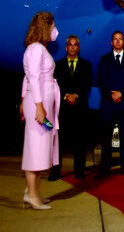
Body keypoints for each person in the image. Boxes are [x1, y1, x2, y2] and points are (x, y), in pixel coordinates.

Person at [20, 12, 60, 210]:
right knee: (35, 151)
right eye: (53, 26)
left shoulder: (39, 48)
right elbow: (33, 78)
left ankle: (34, 193)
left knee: (41, 150)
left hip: (42, 104)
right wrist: (38, 106)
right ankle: (32, 196)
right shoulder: (36, 49)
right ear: (45, 26)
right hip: (40, 106)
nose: (55, 30)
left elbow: (27, 78)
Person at [49, 35, 93, 180]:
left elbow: (87, 85)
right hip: (63, 109)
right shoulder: (58, 65)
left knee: (79, 142)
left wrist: (76, 96)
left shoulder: (86, 65)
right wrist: (65, 96)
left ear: (78, 48)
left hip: (80, 109)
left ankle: (79, 170)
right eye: (70, 44)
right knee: (59, 142)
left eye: (75, 45)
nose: (73, 47)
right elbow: (54, 85)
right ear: (66, 47)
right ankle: (55, 172)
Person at [96, 31, 124, 178]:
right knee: (106, 136)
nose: (118, 41)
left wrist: (121, 93)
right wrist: (112, 94)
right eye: (115, 39)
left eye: (120, 39)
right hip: (108, 104)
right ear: (111, 43)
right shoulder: (104, 59)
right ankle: (105, 167)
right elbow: (101, 80)